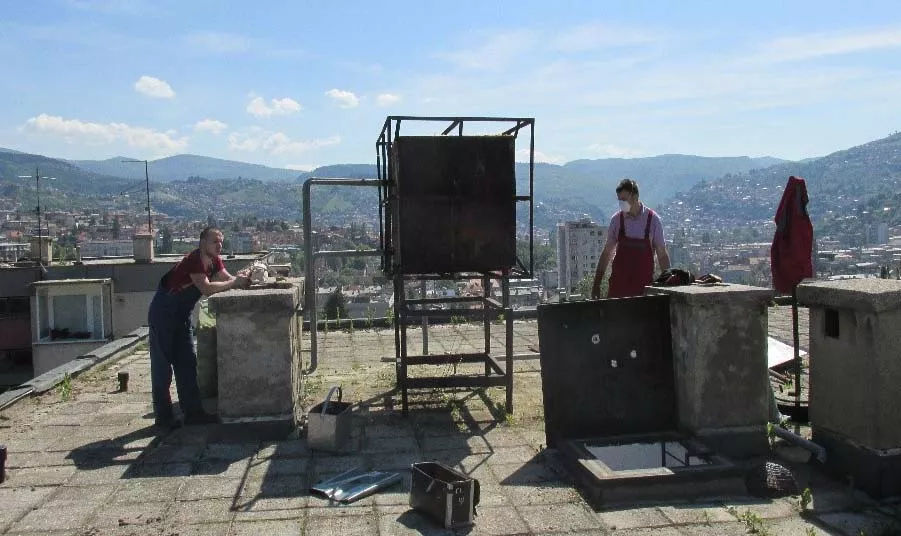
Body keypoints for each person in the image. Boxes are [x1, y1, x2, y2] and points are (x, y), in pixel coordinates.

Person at [148, 227, 250, 428]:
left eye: (221, 242)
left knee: (187, 363)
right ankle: (163, 417)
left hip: (182, 317)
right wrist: (234, 283)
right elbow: (206, 288)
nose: (219, 245)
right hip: (163, 314)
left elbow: (226, 279)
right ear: (203, 242)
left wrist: (241, 279)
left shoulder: (214, 261)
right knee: (162, 367)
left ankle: (194, 413)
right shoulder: (194, 260)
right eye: (215, 242)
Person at [591, 179, 671, 299]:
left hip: (643, 292)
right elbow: (607, 254)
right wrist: (596, 284)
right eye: (619, 200)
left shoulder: (653, 220)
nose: (621, 203)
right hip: (618, 290)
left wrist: (669, 283)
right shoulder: (616, 220)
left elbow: (662, 255)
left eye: (624, 199)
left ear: (635, 196)